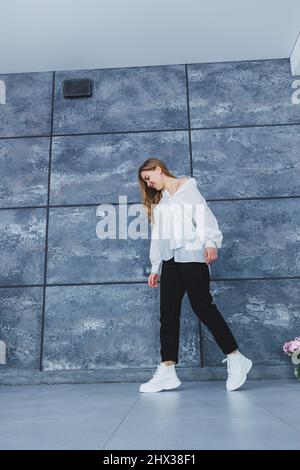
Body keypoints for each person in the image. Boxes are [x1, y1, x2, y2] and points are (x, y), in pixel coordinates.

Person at [137, 157, 252, 393]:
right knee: (167, 313)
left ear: (158, 169)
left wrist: (210, 242)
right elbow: (158, 237)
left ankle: (236, 358)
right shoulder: (161, 204)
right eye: (145, 182)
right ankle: (167, 369)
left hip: (192, 256)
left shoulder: (187, 188)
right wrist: (155, 267)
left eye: (148, 177)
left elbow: (204, 216)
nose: (148, 184)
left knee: (202, 307)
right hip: (170, 261)